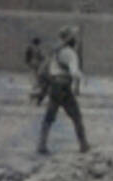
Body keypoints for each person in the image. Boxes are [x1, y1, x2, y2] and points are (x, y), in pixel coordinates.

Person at [34, 25, 89, 155]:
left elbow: (46, 70)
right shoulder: (70, 53)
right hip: (64, 86)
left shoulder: (56, 52)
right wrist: (82, 78)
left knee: (49, 117)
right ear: (70, 38)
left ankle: (41, 144)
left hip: (54, 86)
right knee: (76, 117)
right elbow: (74, 71)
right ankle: (84, 145)